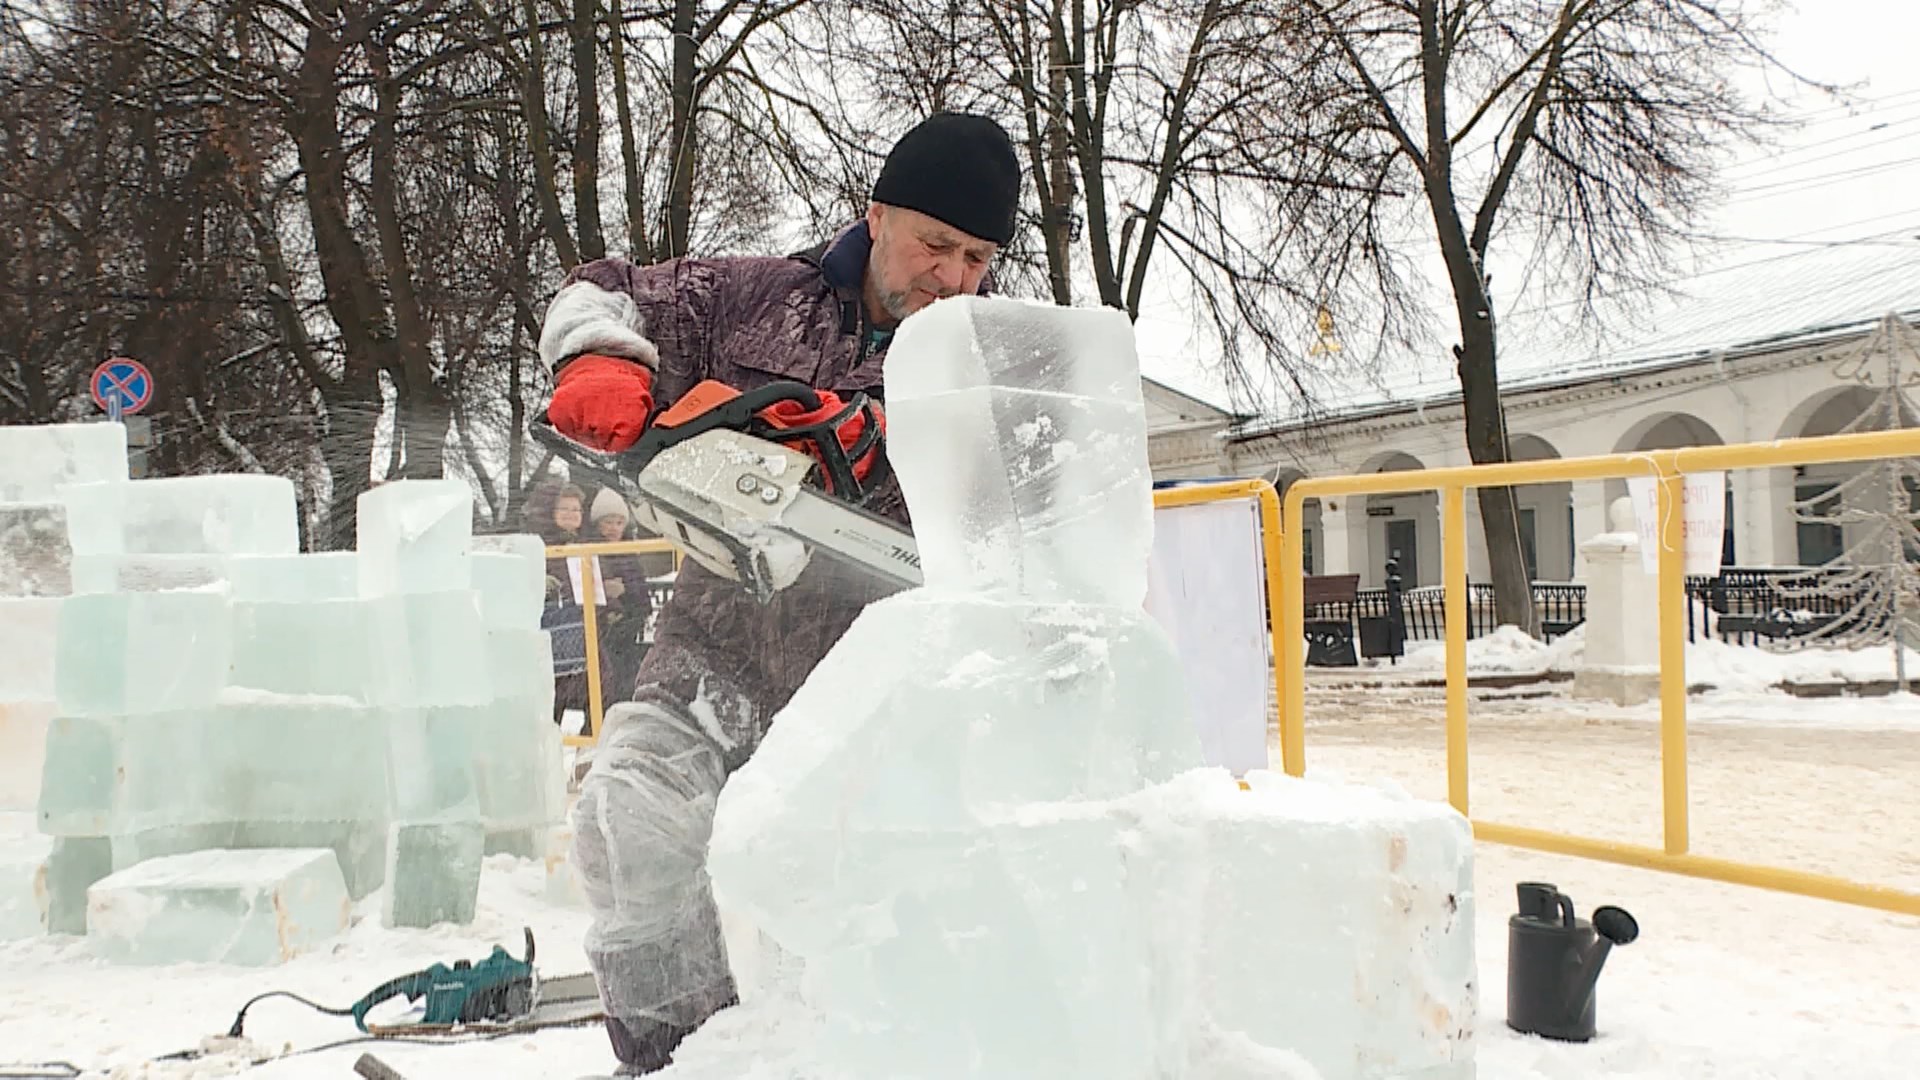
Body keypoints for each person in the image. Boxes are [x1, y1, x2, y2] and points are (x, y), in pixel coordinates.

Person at [537, 111, 1022, 1074]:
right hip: (711, 648)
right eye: (936, 244)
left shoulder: (990, 359)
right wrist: (600, 358)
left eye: (977, 256)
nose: (954, 277)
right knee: (627, 817)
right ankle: (685, 1055)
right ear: (876, 216)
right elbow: (602, 290)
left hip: (879, 688)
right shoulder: (750, 298)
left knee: (842, 898)